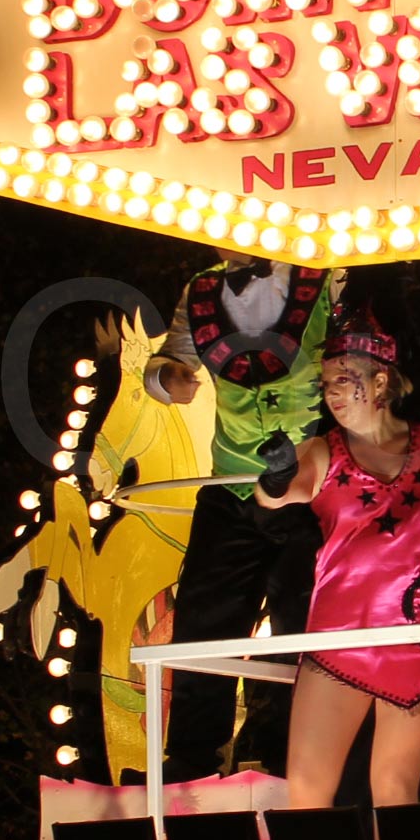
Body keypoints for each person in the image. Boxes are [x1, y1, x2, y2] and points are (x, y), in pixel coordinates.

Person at [257, 301, 420, 810]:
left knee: (395, 788)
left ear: (380, 382)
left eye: (344, 380)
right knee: (307, 787)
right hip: (338, 638)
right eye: (327, 383)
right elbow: (277, 498)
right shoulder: (322, 450)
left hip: (419, 633)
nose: (332, 393)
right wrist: (275, 477)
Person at [147, 256, 337, 780]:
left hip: (311, 490)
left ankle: (298, 760)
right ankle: (191, 765)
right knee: (202, 625)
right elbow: (169, 361)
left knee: (304, 629)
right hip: (231, 486)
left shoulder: (328, 276)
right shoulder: (202, 287)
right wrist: (168, 376)